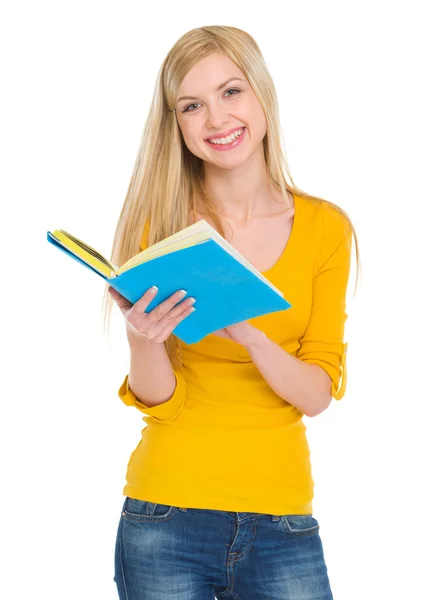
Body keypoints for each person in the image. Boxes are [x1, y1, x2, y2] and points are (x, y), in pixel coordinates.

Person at [106, 25, 361, 600]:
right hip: (164, 514)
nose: (216, 120)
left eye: (231, 92)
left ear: (261, 95)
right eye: (191, 105)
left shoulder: (326, 230)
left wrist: (251, 335)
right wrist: (143, 340)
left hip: (283, 522)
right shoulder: (160, 230)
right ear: (176, 125)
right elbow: (158, 401)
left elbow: (316, 394)